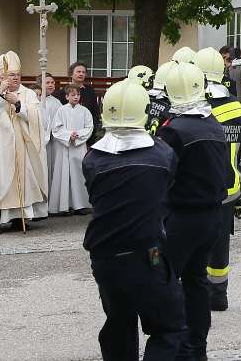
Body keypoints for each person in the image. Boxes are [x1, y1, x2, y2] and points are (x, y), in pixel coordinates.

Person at [82, 79, 188, 361]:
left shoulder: (92, 158)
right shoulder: (162, 154)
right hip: (146, 254)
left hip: (104, 256)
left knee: (119, 326)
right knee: (169, 328)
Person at [156, 60, 229, 359]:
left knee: (167, 280)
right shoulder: (212, 123)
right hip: (211, 215)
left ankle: (173, 346)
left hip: (182, 215)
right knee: (197, 281)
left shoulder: (173, 129)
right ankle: (197, 347)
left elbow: (162, 174)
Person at [195, 48, 241, 311]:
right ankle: (220, 295)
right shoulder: (235, 105)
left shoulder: (197, 107)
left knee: (198, 243)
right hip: (230, 186)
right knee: (221, 244)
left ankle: (199, 294)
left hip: (201, 186)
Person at [0, 51, 49, 233]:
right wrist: (1, 94)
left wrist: (19, 104)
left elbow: (36, 116)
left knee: (23, 178)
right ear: (2, 76)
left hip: (22, 144)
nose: (16, 78)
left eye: (18, 75)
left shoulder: (28, 94)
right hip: (0, 145)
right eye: (11, 75)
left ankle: (20, 217)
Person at [50, 84, 93, 215]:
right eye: (73, 95)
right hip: (65, 146)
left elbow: (89, 127)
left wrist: (78, 135)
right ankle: (64, 206)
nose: (76, 97)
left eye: (78, 95)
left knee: (78, 175)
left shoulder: (85, 111)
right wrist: (69, 135)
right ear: (67, 96)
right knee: (64, 174)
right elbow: (56, 128)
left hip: (78, 147)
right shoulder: (61, 110)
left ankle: (80, 205)